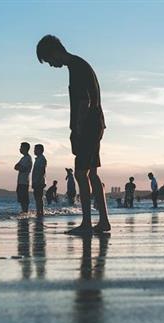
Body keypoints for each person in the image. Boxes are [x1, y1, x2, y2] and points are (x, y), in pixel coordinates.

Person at [37, 34, 110, 234]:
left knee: (80, 173)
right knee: (92, 173)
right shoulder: (80, 65)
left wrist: (77, 128)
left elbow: (84, 101)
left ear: (54, 52)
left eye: (49, 60)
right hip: (96, 124)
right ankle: (103, 222)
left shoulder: (76, 68)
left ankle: (87, 223)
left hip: (88, 126)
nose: (51, 65)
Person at [14, 142, 32, 213]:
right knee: (21, 197)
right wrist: (19, 167)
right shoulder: (23, 158)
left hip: (24, 181)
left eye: (21, 147)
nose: (20, 149)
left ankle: (25, 211)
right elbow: (16, 166)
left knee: (24, 198)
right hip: (21, 181)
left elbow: (23, 168)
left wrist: (19, 167)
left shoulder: (27, 158)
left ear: (25, 148)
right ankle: (24, 211)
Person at [32, 144, 47, 218]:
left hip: (39, 181)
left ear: (40, 150)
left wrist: (37, 181)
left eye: (35, 149)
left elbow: (42, 171)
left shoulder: (42, 159)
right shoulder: (38, 159)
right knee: (37, 197)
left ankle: (40, 212)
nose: (34, 150)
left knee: (38, 197)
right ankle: (39, 211)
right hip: (37, 181)